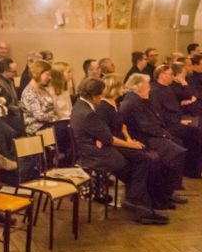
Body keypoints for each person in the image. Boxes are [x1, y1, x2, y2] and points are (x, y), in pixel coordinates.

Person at [70, 78, 167, 225]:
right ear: (95, 96)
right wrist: (130, 145)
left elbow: (104, 134)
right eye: (100, 95)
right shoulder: (88, 113)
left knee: (141, 162)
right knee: (140, 163)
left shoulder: (79, 105)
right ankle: (139, 207)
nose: (101, 98)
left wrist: (108, 138)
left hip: (96, 149)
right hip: (98, 155)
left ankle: (139, 205)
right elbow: (109, 138)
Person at [97, 75, 172, 214]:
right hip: (113, 146)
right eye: (121, 86)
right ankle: (137, 199)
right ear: (114, 88)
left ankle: (154, 199)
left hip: (122, 142)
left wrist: (129, 140)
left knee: (154, 157)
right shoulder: (103, 107)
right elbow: (107, 136)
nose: (123, 88)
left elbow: (122, 127)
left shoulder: (114, 103)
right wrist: (129, 145)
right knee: (145, 159)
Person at [118, 74, 187, 204]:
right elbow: (145, 126)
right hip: (142, 138)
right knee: (177, 153)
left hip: (149, 135)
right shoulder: (133, 102)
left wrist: (165, 134)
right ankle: (167, 192)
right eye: (147, 86)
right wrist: (164, 135)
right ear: (139, 87)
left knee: (178, 145)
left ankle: (168, 190)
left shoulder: (139, 99)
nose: (149, 88)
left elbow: (154, 120)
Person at [19, 59, 57, 135]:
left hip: (49, 125)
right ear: (38, 73)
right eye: (47, 74)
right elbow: (39, 116)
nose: (49, 77)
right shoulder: (29, 92)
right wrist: (54, 117)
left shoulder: (43, 89)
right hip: (37, 128)